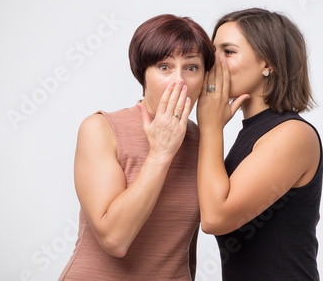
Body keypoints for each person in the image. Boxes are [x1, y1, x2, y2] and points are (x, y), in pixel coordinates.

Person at [59, 14, 215, 280]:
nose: (179, 81)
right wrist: (160, 153)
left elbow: (185, 245)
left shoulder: (203, 141)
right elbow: (114, 239)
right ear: (143, 73)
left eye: (191, 67)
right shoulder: (101, 129)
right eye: (164, 67)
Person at [196, 8, 323, 280]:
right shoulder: (250, 133)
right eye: (212, 51)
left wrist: (209, 128)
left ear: (268, 64)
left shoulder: (292, 134)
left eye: (228, 52)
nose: (213, 62)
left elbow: (215, 218)